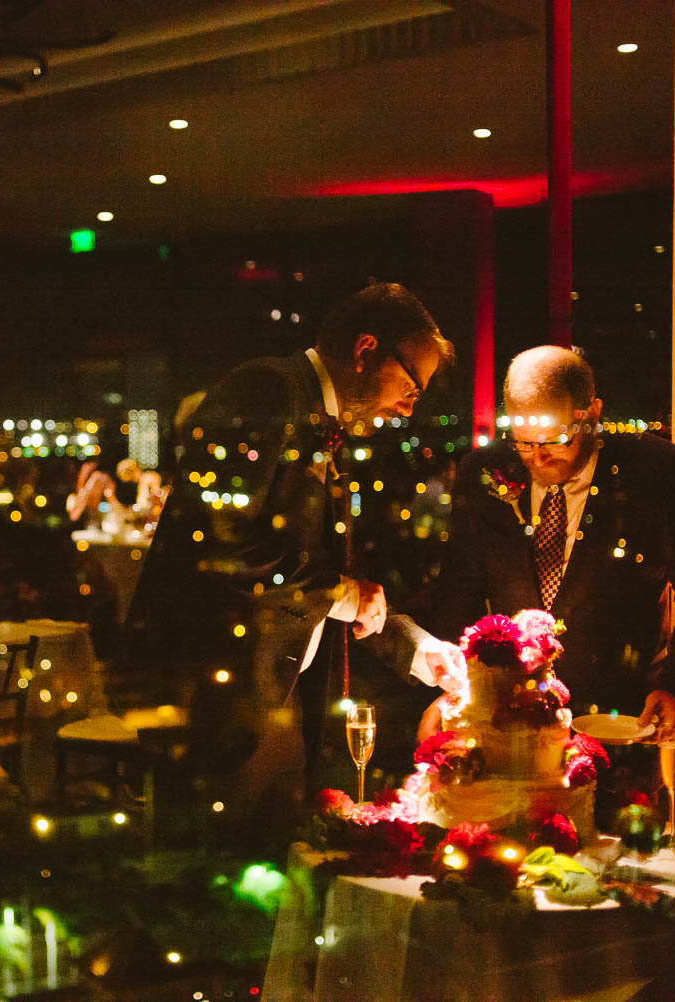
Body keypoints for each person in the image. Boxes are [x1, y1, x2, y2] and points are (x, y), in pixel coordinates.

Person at [122, 280, 465, 813]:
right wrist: (346, 594)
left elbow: (335, 578)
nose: (407, 407)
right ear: (365, 350)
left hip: (270, 700)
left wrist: (418, 650)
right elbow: (219, 538)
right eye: (411, 385)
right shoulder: (264, 389)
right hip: (213, 696)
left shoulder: (328, 423)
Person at [423, 346, 675, 744]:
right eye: (522, 441)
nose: (536, 457)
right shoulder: (483, 473)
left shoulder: (661, 475)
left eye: (555, 439)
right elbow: (459, 593)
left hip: (623, 723)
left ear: (591, 414)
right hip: (508, 726)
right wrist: (455, 692)